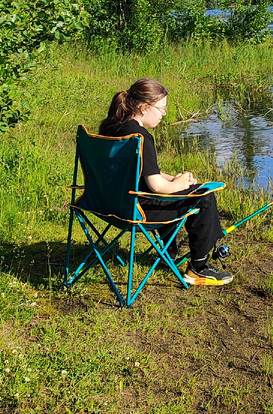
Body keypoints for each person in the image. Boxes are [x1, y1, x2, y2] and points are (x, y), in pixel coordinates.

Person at [99, 77, 233, 286]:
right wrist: (177, 185)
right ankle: (198, 267)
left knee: (182, 191)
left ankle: (169, 251)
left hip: (105, 203)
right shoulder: (140, 137)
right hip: (136, 210)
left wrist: (176, 179)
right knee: (204, 196)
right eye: (161, 109)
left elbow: (141, 172)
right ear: (144, 108)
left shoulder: (111, 127)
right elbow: (157, 187)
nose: (164, 114)